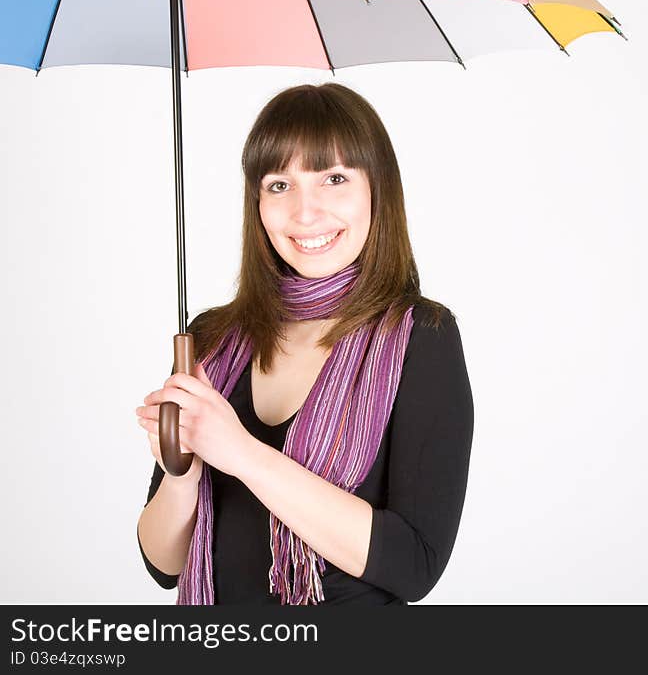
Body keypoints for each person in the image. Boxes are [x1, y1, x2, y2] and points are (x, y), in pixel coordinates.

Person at [134, 83, 474, 606]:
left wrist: (241, 452)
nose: (305, 212)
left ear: (376, 190)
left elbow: (414, 565)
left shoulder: (420, 337)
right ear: (257, 202)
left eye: (333, 178)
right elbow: (164, 565)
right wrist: (182, 475)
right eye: (278, 185)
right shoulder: (212, 341)